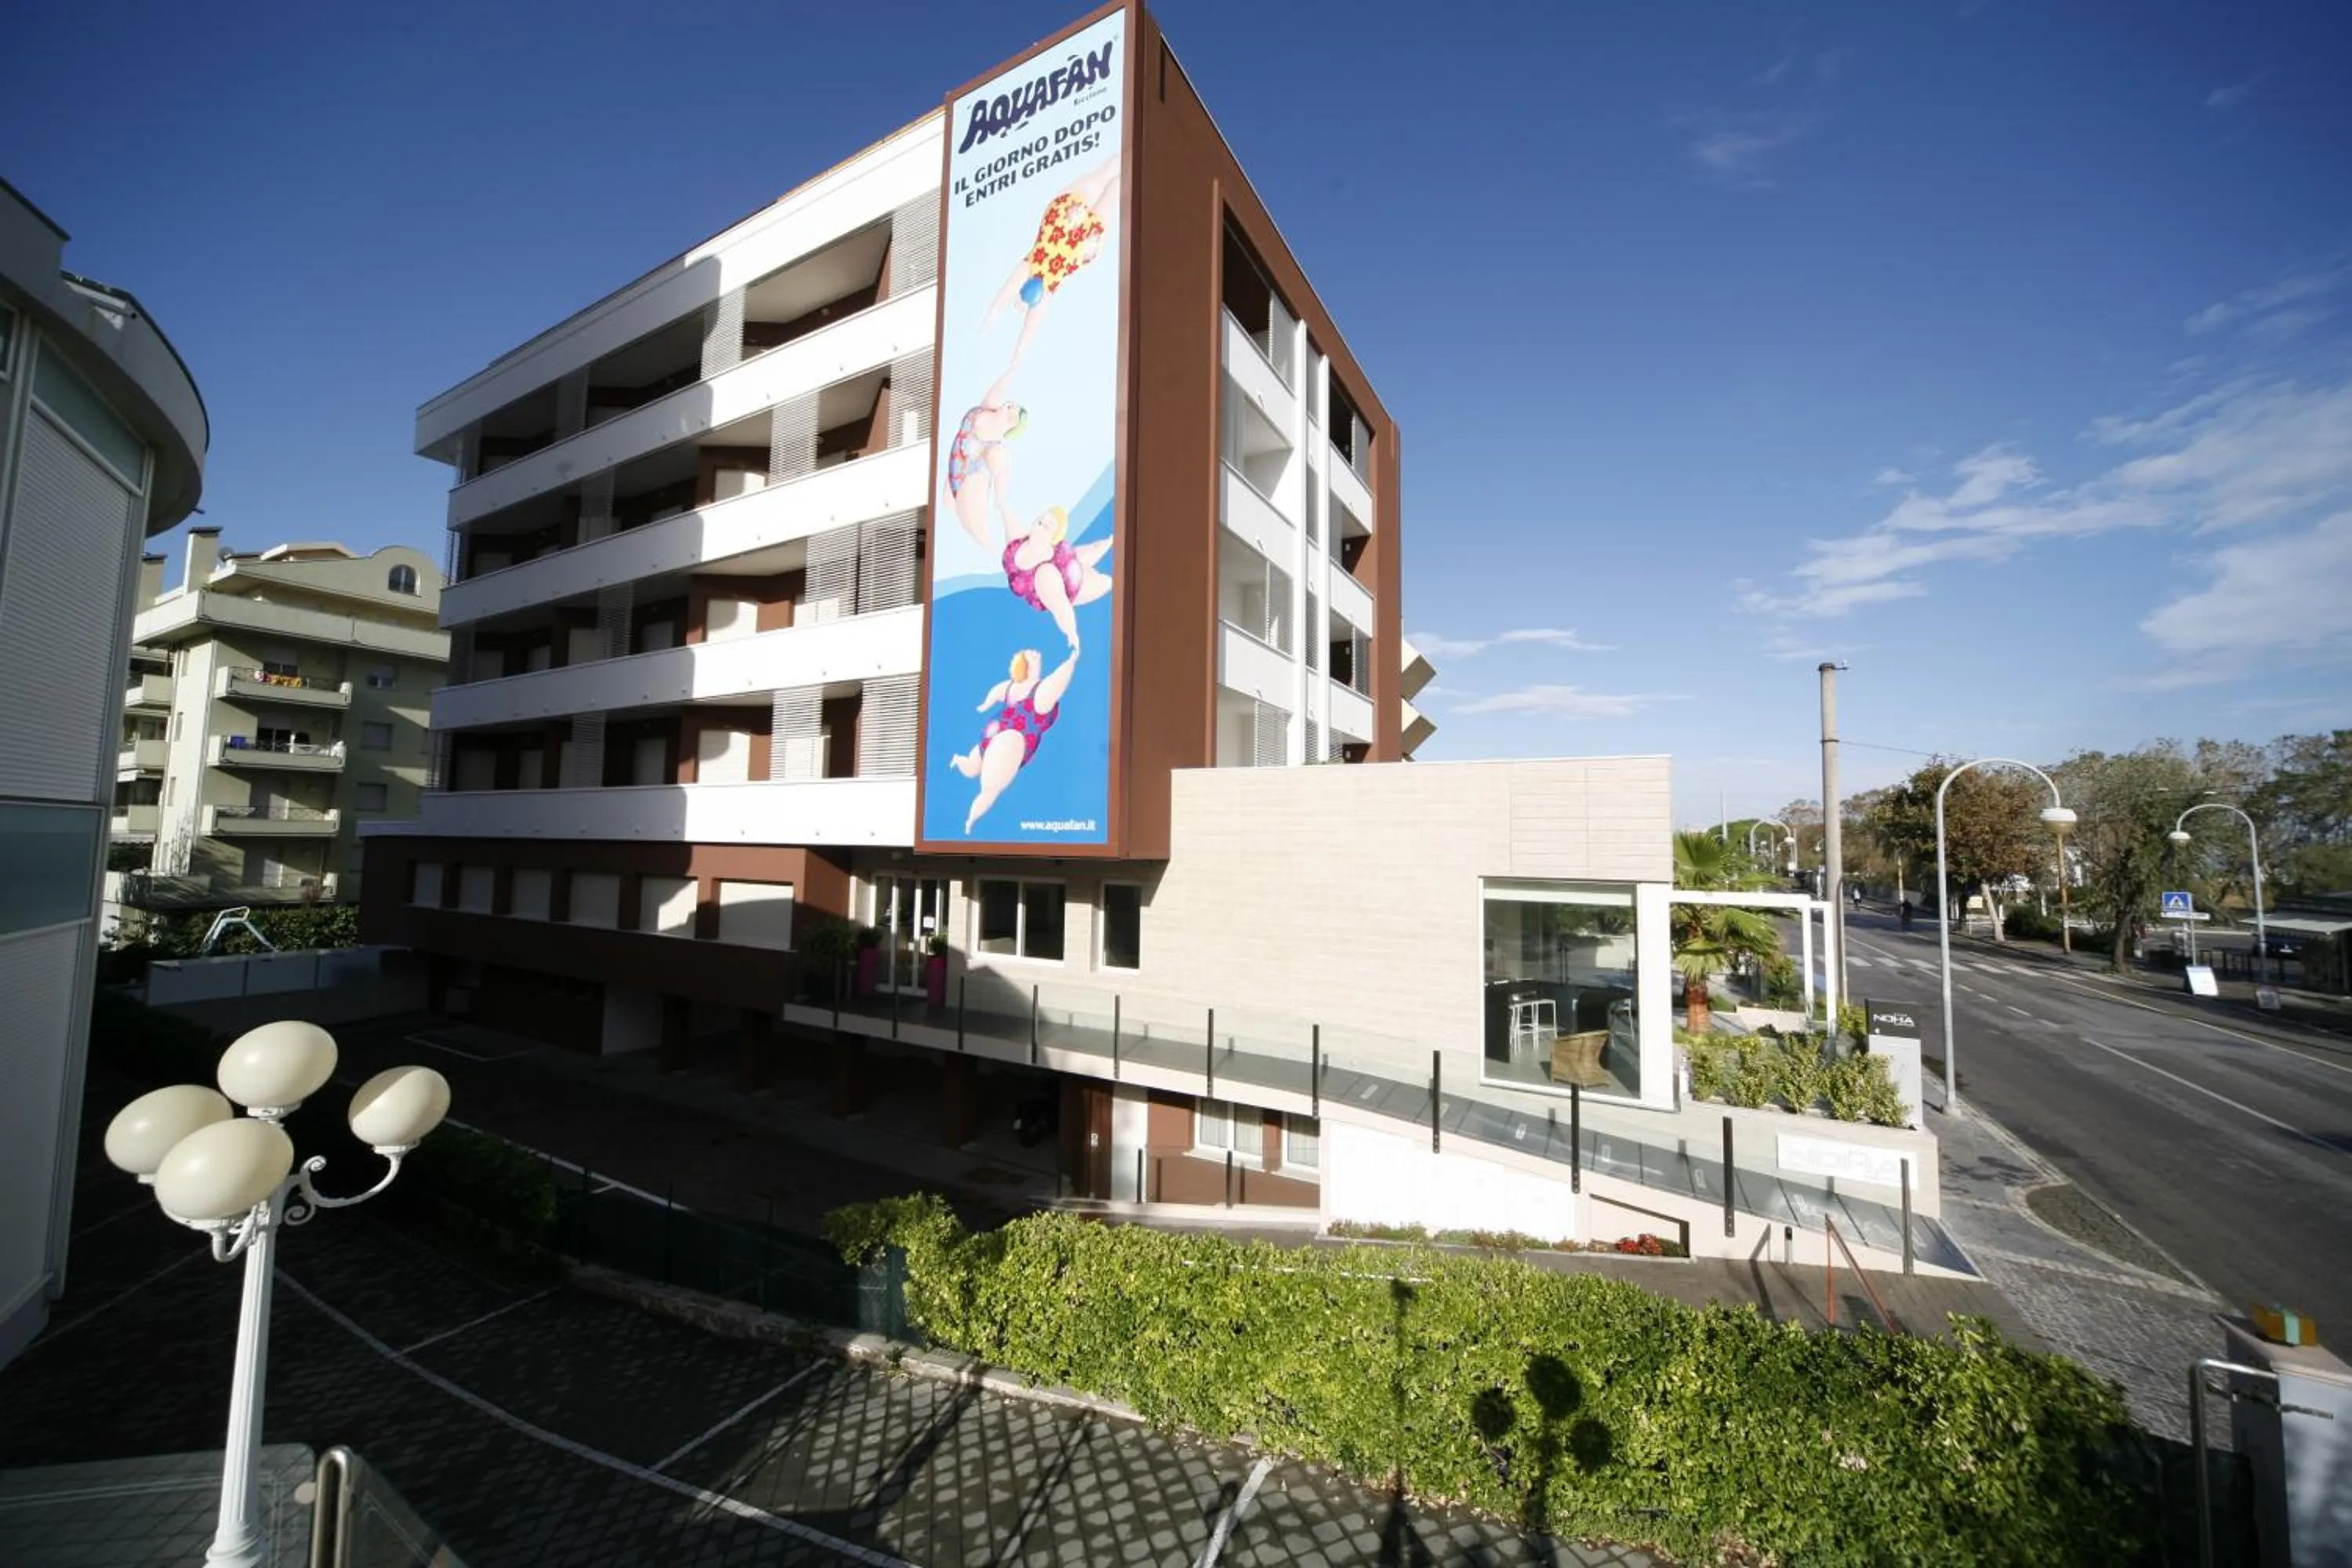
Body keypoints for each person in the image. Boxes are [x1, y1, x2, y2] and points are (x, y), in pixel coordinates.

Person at [980, 157, 1121, 372]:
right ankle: (1130, 147)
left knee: (1112, 190)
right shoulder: (1030, 266)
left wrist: (1016, 357)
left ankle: (1133, 154)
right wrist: (991, 319)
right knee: (1104, 175)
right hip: (1064, 220)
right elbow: (1004, 300)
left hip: (1082, 247)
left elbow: (1027, 329)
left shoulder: (1043, 288)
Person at [948, 648, 1078, 834]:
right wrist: (1072, 660)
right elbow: (1059, 680)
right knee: (986, 789)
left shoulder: (1012, 687)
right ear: (1026, 665)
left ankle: (959, 763)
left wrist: (985, 705)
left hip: (994, 734)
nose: (1036, 653)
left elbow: (995, 693)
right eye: (1030, 654)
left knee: (973, 771)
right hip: (1010, 741)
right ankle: (969, 822)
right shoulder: (1039, 694)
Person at [1001, 505, 1111, 653]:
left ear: (1052, 539)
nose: (1042, 525)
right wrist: (1002, 504)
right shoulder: (1019, 549)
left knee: (1095, 552)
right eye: (1041, 521)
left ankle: (1109, 543)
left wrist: (1071, 632)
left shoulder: (1046, 572)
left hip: (1070, 567)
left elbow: (1063, 607)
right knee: (1106, 581)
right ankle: (1108, 551)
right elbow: (1061, 606)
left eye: (1048, 526)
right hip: (1073, 583)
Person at [944, 368, 1027, 550]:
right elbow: (1005, 381)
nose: (1011, 409)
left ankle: (995, 550)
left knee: (980, 534)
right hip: (951, 475)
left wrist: (1000, 500)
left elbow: (1001, 479)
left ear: (1010, 430)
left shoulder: (995, 449)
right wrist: (1015, 364)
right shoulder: (984, 408)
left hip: (967, 486)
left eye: (1013, 416)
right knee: (945, 506)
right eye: (1012, 406)